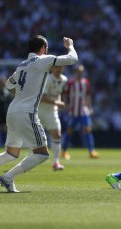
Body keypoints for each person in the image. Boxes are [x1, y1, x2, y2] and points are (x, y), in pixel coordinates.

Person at [0, 35, 78, 192]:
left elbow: (9, 85)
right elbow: (72, 59)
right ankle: (7, 177)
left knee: (11, 153)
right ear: (42, 48)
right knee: (42, 154)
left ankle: (8, 179)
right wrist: (70, 46)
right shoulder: (43, 60)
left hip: (13, 110)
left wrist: (22, 94)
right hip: (26, 112)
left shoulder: (21, 65)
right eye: (47, 47)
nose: (47, 50)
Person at [61, 64, 98, 159]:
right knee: (69, 131)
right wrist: (67, 105)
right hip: (73, 110)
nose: (80, 73)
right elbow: (65, 95)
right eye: (78, 71)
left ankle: (91, 151)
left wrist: (89, 107)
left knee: (87, 129)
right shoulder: (71, 83)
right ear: (75, 72)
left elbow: (88, 96)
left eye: (81, 71)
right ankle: (64, 151)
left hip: (83, 109)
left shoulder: (86, 82)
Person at [38, 65, 67, 171]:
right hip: (40, 110)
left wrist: (58, 105)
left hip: (52, 111)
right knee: (36, 137)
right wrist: (58, 103)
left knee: (57, 134)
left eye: (60, 67)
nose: (58, 69)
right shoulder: (47, 79)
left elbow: (58, 94)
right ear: (51, 68)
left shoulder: (64, 79)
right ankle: (29, 158)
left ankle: (56, 162)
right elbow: (43, 97)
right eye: (56, 67)